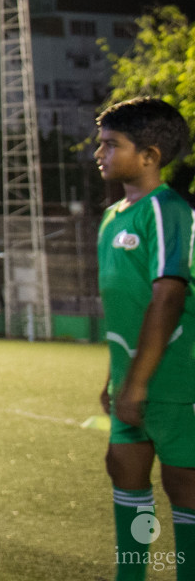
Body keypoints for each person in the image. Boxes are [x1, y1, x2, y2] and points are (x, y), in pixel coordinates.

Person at [93, 97, 195, 577]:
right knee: (124, 472)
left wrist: (138, 383)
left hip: (175, 383)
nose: (100, 154)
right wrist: (115, 377)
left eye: (112, 145)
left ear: (150, 156)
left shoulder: (166, 209)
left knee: (184, 486)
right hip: (130, 380)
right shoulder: (113, 217)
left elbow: (168, 296)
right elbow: (125, 309)